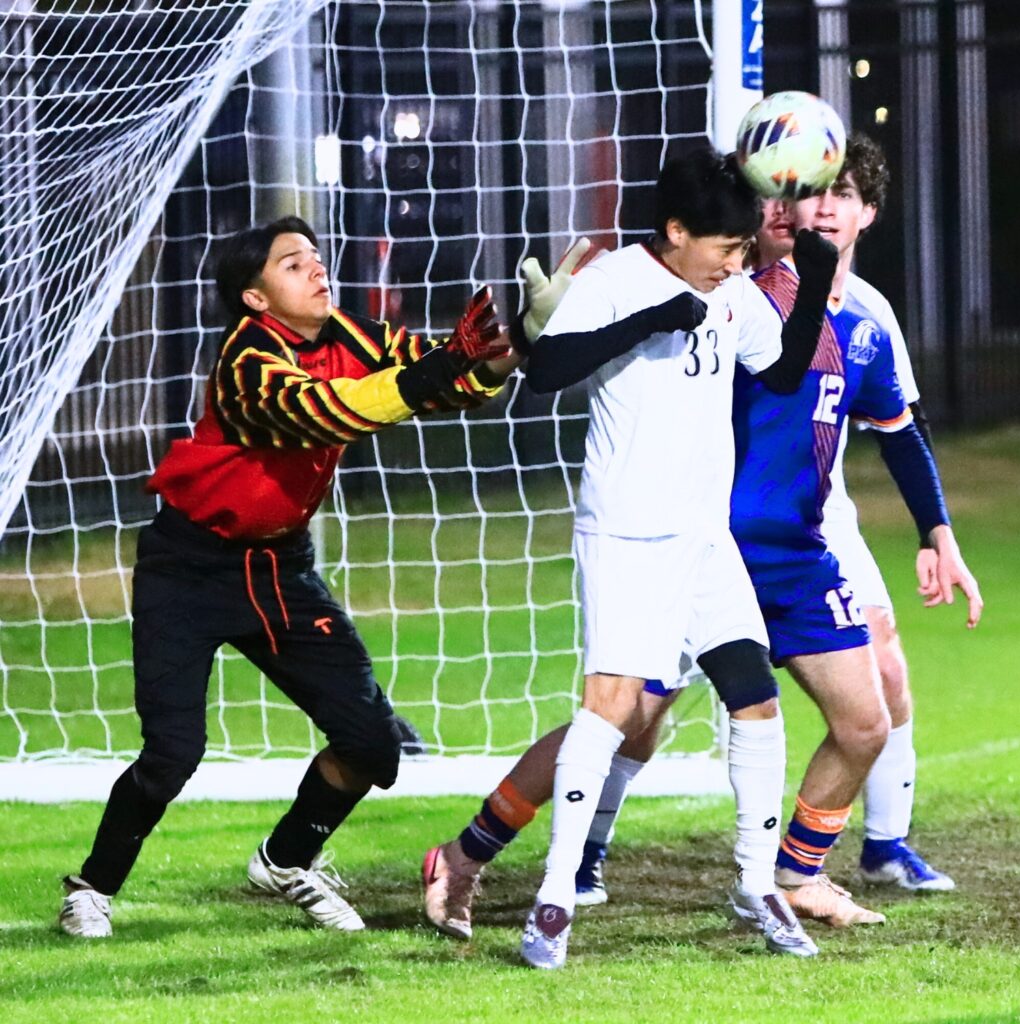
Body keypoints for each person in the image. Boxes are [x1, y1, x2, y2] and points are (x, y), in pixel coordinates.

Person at [56, 215, 569, 939]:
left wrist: (517, 340)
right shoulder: (245, 359)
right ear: (256, 298)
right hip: (189, 568)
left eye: (316, 257)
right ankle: (91, 888)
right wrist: (449, 364)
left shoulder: (349, 334)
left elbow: (447, 377)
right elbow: (328, 413)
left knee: (373, 743)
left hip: (281, 568)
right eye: (293, 264)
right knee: (173, 753)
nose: (317, 269)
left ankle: (287, 860)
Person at [427, 145, 839, 969]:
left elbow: (785, 370)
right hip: (626, 534)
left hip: (704, 538)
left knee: (756, 698)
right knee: (612, 712)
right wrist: (651, 319)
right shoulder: (617, 279)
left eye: (745, 248)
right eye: (726, 248)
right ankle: (553, 900)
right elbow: (547, 369)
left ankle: (756, 885)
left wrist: (816, 275)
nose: (737, 263)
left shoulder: (731, 290)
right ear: (676, 230)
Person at [731, 132, 982, 927]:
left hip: (816, 520)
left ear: (869, 213)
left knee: (883, 675)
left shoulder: (871, 315)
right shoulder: (746, 299)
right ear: (788, 203)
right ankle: (577, 857)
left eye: (846, 195)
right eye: (816, 192)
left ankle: (879, 845)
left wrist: (937, 533)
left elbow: (901, 430)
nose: (828, 207)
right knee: (638, 706)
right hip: (723, 526)